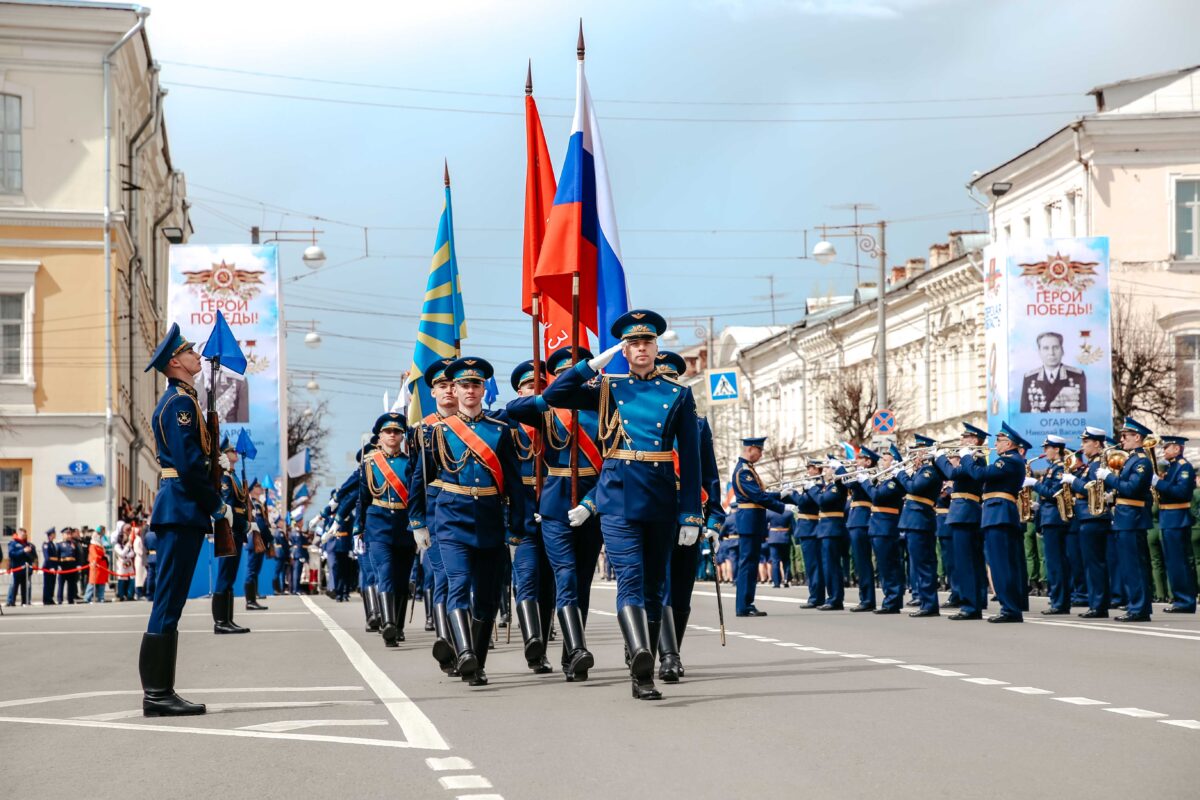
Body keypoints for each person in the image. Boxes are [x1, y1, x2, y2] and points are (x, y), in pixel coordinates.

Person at [540, 309, 702, 701]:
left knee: (654, 584)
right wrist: (589, 365)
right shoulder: (607, 387)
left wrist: (690, 513)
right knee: (629, 576)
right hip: (616, 495)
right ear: (624, 350)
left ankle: (641, 653)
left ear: (656, 347)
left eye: (647, 342)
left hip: (660, 494)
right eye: (633, 343)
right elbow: (553, 395)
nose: (641, 348)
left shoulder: (678, 393)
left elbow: (692, 459)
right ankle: (642, 660)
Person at [409, 357, 525, 688]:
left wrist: (516, 531)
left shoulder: (500, 431)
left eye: (476, 385)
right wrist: (418, 521)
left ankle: (477, 661)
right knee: (458, 584)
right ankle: (465, 653)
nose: (469, 390)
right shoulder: (436, 432)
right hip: (451, 517)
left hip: (489, 517)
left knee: (487, 596)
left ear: (483, 389)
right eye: (463, 385)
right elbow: (420, 479)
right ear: (454, 389)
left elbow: (515, 485)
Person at [139, 322, 231, 716]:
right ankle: (157, 694)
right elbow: (191, 465)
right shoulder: (179, 404)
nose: (197, 356)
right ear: (175, 362)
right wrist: (215, 505)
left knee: (171, 602)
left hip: (181, 510)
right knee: (167, 602)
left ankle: (162, 690)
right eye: (190, 351)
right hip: (181, 509)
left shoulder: (185, 400)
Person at [505, 346, 604, 683]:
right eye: (562, 374)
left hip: (594, 505)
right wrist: (552, 393)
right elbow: (512, 407)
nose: (570, 379)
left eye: (577, 372)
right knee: (564, 574)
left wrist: (591, 503)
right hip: (554, 507)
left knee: (583, 581)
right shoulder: (546, 410)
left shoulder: (607, 408)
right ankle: (576, 648)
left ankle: (568, 657)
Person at [652, 350, 724, 683]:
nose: (667, 382)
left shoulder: (696, 425)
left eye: (672, 378)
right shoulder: (642, 418)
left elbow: (709, 476)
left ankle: (670, 648)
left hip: (690, 514)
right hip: (653, 510)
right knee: (659, 584)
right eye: (661, 376)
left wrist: (714, 520)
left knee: (681, 588)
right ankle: (668, 656)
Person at [496, 359, 555, 674]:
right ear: (520, 391)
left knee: (550, 586)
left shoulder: (558, 421)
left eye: (543, 387)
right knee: (528, 578)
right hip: (523, 513)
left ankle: (541, 649)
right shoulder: (508, 423)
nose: (538, 392)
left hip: (556, 510)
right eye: (531, 387)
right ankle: (532, 638)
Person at [411, 357, 459, 675]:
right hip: (438, 513)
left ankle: (465, 637)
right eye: (442, 385)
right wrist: (417, 521)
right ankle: (447, 640)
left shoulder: (481, 426)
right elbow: (416, 480)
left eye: (454, 384)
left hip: (475, 514)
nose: (449, 390)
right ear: (433, 392)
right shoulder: (422, 432)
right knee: (445, 576)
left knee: (475, 582)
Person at [358, 411, 418, 647]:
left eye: (397, 431)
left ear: (402, 436)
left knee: (403, 578)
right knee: (386, 570)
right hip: (378, 523)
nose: (392, 435)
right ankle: (388, 624)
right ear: (379, 436)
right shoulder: (370, 462)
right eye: (388, 431)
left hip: (405, 524)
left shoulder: (410, 463)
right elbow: (363, 497)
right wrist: (359, 526)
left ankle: (399, 626)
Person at [1097, 418, 1156, 622]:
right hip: (1125, 518)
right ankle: (1135, 605)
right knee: (1128, 565)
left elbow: (1132, 488)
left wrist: (1108, 477)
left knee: (1135, 565)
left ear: (1137, 437)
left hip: (1133, 519)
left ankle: (1139, 608)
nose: (1121, 440)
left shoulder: (1142, 461)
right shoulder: (1132, 459)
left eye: (1125, 436)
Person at [975, 422, 1031, 623]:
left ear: (1008, 444)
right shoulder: (1009, 460)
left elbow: (980, 474)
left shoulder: (1010, 460)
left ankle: (1010, 609)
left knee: (1001, 564)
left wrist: (965, 458)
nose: (995, 445)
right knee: (1000, 563)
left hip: (1000, 514)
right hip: (997, 513)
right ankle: (1010, 607)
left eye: (998, 442)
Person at [730, 437, 786, 616]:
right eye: (759, 451)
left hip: (752, 521)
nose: (761, 455)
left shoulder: (748, 470)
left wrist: (779, 495)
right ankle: (744, 605)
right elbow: (758, 496)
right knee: (747, 563)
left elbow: (761, 493)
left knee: (751, 563)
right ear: (750, 449)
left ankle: (747, 603)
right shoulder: (743, 472)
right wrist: (781, 505)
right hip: (749, 521)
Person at [1065, 428, 1112, 618]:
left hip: (1094, 517)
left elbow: (1090, 489)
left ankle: (1099, 605)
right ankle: (1096, 603)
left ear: (1097, 444)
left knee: (1095, 564)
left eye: (1086, 442)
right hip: (1087, 517)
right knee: (1091, 564)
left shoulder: (1097, 464)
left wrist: (1073, 481)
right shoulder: (1090, 465)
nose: (1082, 446)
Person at [895, 435, 941, 618]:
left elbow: (914, 488)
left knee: (924, 564)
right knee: (918, 563)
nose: (915, 455)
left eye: (919, 451)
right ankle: (925, 601)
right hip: (915, 522)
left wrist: (900, 474)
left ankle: (929, 604)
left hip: (920, 522)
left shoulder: (930, 471)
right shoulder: (921, 470)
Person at [859, 445, 906, 614]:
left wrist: (865, 481)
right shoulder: (885, 479)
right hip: (878, 526)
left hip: (886, 527)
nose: (881, 463)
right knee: (884, 566)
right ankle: (890, 599)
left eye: (885, 460)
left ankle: (892, 601)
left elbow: (877, 497)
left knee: (889, 566)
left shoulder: (894, 482)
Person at [212, 437, 250, 635]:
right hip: (229, 529)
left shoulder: (233, 475)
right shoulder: (225, 478)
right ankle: (220, 621)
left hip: (236, 529)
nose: (235, 452)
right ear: (224, 455)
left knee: (230, 576)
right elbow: (227, 505)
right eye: (231, 450)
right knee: (224, 576)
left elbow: (241, 504)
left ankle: (228, 619)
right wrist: (243, 524)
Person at [1032, 435, 1071, 614]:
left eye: (1047, 448)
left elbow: (1053, 493)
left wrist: (1035, 485)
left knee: (1056, 562)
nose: (1044, 451)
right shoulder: (1052, 468)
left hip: (1055, 519)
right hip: (1049, 518)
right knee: (1053, 562)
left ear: (1057, 449)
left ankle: (1060, 602)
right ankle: (1057, 599)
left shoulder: (1060, 468)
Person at [1156, 435, 1196, 613]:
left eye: (1167, 447)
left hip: (1177, 518)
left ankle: (1185, 600)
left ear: (1177, 449)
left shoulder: (1184, 467)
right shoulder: (1172, 467)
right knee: (1172, 562)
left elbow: (1181, 492)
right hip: (1168, 517)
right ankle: (1179, 598)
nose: (1164, 450)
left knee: (1179, 561)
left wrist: (1159, 483)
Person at [1019, 331, 1087, 413]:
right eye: (1046, 348)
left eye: (1055, 347)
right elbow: (1024, 416)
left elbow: (1083, 413)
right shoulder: (1029, 378)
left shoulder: (1077, 376)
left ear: (1062, 350)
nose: (1051, 353)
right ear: (1039, 352)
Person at [846, 447, 879, 611]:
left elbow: (872, 494)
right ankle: (864, 597)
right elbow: (847, 483)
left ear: (868, 461)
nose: (856, 461)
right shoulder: (858, 475)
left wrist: (864, 478)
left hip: (863, 519)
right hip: (854, 520)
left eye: (860, 459)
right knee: (859, 562)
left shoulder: (873, 475)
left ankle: (867, 599)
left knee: (864, 561)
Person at [790, 461, 824, 609]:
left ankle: (816, 597)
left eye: (811, 468)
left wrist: (795, 494)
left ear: (818, 470)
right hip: (806, 528)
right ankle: (815, 595)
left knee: (813, 565)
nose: (809, 471)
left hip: (811, 528)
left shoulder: (818, 485)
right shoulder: (812, 484)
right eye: (808, 468)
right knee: (811, 565)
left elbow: (804, 503)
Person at [244, 482, 271, 612]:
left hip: (257, 541)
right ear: (253, 490)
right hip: (255, 540)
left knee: (255, 571)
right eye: (258, 486)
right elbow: (260, 524)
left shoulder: (258, 503)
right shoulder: (254, 504)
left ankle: (253, 596)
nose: (260, 488)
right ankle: (250, 601)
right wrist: (269, 538)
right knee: (252, 571)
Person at [5, 528, 33, 606]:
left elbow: (32, 556)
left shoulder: (28, 544)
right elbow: (12, 554)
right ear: (18, 534)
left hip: (26, 570)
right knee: (14, 586)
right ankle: (11, 601)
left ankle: (25, 601)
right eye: (22, 534)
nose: (24, 536)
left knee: (25, 587)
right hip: (17, 568)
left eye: (25, 534)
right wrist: (23, 551)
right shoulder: (13, 543)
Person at [85, 528, 109, 604]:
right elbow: (94, 555)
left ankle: (101, 597)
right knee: (92, 583)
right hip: (96, 566)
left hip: (102, 567)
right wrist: (101, 557)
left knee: (102, 583)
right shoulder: (92, 546)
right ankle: (87, 598)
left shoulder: (99, 545)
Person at [113, 524, 136, 601]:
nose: (126, 537)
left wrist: (127, 555)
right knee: (122, 580)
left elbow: (132, 553)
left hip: (129, 565)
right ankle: (121, 595)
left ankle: (130, 595)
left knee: (131, 580)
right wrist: (127, 547)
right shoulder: (117, 545)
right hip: (121, 566)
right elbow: (121, 554)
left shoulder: (127, 545)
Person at [41, 528, 59, 605]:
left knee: (52, 583)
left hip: (53, 566)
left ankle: (50, 598)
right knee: (47, 584)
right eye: (54, 534)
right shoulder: (46, 544)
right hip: (48, 567)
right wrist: (51, 567)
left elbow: (55, 556)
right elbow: (47, 557)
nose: (55, 535)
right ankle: (46, 599)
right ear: (50, 535)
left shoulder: (52, 544)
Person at [143, 526, 159, 601]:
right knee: (157, 576)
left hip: (150, 556)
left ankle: (149, 594)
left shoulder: (147, 535)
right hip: (157, 555)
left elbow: (145, 545)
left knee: (150, 577)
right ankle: (157, 593)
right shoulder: (158, 533)